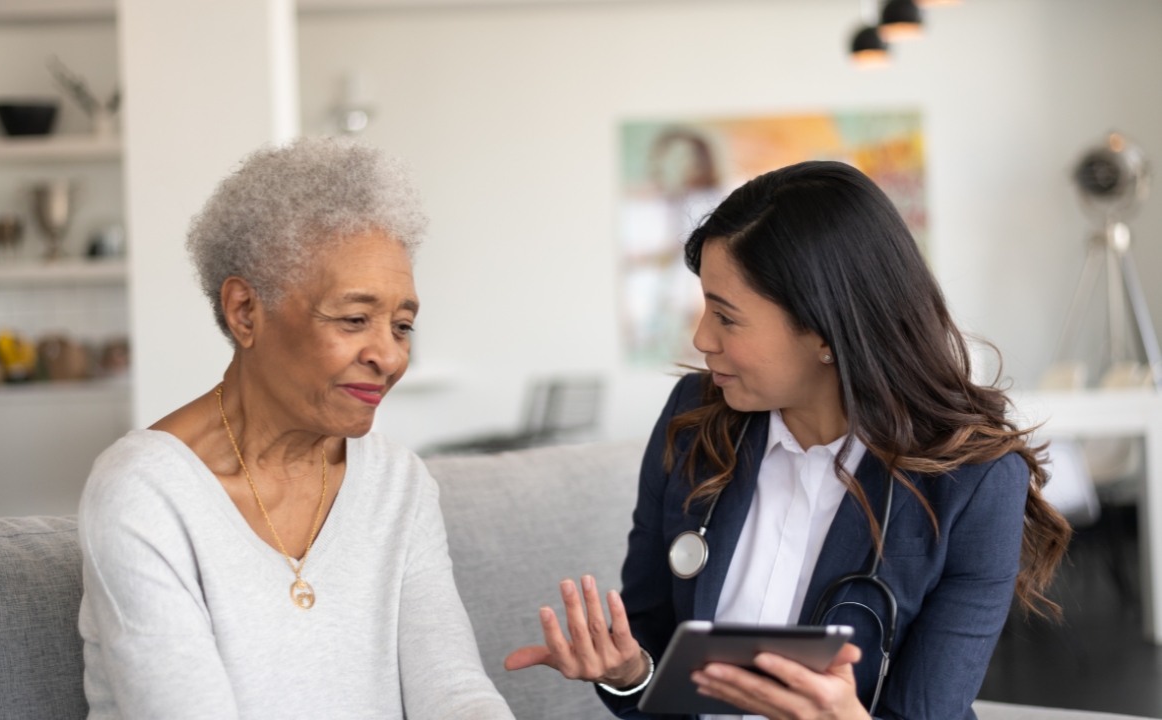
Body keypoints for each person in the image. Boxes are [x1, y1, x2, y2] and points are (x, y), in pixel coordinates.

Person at [505, 161, 1071, 720]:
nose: (702, 337)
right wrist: (629, 674)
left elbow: (929, 710)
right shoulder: (694, 419)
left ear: (826, 332)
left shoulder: (974, 484)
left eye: (727, 317)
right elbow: (653, 656)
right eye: (705, 306)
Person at [77, 138, 514, 720]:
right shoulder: (144, 492)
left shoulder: (396, 483)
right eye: (355, 320)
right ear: (245, 312)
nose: (388, 355)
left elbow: (454, 692)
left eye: (402, 325)